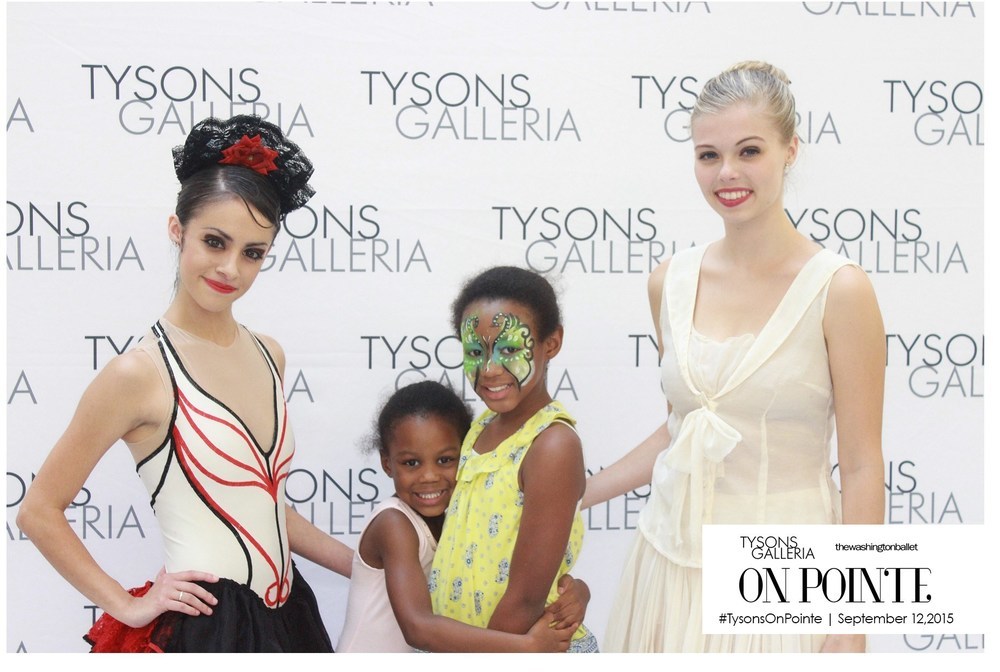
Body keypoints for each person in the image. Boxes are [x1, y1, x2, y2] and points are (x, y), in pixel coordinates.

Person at [17, 115, 354, 652]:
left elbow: (265, 507)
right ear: (177, 230)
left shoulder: (270, 354)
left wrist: (365, 565)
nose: (231, 269)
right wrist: (127, 604)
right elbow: (38, 511)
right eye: (214, 242)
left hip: (290, 622)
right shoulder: (138, 373)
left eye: (253, 253)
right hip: (207, 631)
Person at [583, 61, 886, 653]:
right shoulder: (669, 281)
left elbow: (861, 466)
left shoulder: (840, 289)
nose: (727, 173)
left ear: (790, 150)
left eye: (749, 151)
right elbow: (684, 430)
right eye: (708, 155)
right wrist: (576, 493)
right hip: (668, 567)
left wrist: (852, 622)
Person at [337, 380, 588, 652]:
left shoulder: (458, 517)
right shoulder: (393, 524)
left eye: (445, 460)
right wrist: (527, 647)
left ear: (467, 455)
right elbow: (417, 627)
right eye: (411, 463)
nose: (429, 476)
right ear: (387, 463)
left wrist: (578, 590)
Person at [428, 266, 599, 653]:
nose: (489, 369)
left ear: (551, 343)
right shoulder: (480, 428)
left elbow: (525, 599)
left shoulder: (552, 445)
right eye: (475, 352)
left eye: (508, 349)